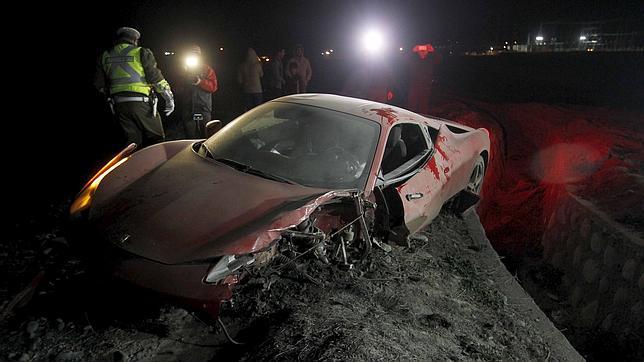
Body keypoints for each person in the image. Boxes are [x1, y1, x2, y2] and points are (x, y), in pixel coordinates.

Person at [95, 27, 174, 147]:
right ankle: (159, 165)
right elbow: (156, 79)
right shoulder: (141, 52)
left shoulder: (105, 55)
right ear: (135, 40)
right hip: (141, 104)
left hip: (119, 106)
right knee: (156, 139)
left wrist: (110, 99)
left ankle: (132, 165)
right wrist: (169, 99)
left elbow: (99, 84)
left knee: (131, 143)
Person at [181, 44, 218, 138]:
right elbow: (177, 88)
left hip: (203, 107)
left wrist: (200, 82)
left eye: (196, 54)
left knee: (206, 135)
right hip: (188, 108)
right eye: (192, 54)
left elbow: (213, 87)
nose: (194, 56)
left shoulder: (207, 69)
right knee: (190, 136)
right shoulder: (183, 70)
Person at [406, 44, 440, 114]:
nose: (422, 53)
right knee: (412, 106)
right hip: (414, 86)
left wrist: (433, 51)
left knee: (424, 107)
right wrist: (412, 51)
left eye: (424, 51)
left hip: (426, 87)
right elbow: (405, 59)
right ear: (418, 52)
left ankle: (423, 120)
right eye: (420, 51)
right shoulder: (413, 60)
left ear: (427, 52)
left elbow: (439, 59)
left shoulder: (431, 60)